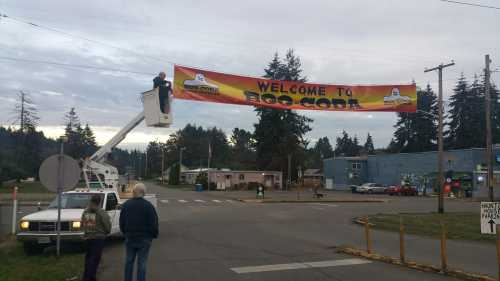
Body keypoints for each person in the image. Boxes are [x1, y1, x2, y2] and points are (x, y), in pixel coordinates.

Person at [120, 183, 158, 281]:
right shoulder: (149, 206)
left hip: (130, 237)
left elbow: (122, 222)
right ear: (144, 193)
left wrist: (125, 233)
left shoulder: (126, 205)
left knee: (129, 261)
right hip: (145, 239)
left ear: (133, 192)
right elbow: (153, 223)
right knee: (142, 263)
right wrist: (154, 235)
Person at [81, 194, 111, 281]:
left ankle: (87, 276)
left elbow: (86, 225)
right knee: (95, 259)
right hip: (98, 239)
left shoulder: (87, 211)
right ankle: (90, 277)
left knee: (89, 258)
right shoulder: (101, 212)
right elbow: (107, 225)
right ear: (99, 202)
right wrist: (107, 232)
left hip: (88, 238)